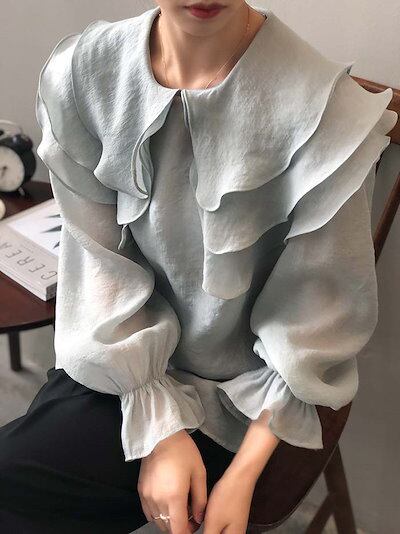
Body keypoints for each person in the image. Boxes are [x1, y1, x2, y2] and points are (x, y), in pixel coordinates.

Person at [0, 1, 397, 533]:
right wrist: (160, 430)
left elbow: (311, 328)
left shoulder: (330, 114)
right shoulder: (86, 74)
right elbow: (99, 269)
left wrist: (242, 475)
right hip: (117, 355)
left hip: (237, 402)